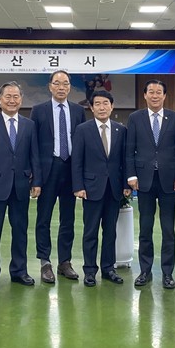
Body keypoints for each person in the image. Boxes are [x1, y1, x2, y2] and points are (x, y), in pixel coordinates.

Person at [0, 81, 41, 292]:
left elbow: (35, 156)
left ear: (21, 100)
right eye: (8, 96)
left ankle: (19, 271)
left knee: (20, 231)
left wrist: (37, 181)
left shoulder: (29, 125)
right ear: (0, 99)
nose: (12, 100)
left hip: (21, 186)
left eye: (16, 97)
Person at [126, 79, 175, 289]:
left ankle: (167, 273)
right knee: (145, 227)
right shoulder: (135, 118)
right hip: (144, 180)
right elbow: (129, 150)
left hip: (169, 180)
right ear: (145, 95)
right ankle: (145, 271)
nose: (154, 95)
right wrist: (131, 175)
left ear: (164, 95)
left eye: (158, 92)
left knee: (168, 229)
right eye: (151, 92)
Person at [30, 70, 87, 283]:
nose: (61, 87)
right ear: (50, 86)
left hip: (71, 169)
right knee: (43, 218)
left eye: (65, 83)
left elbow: (82, 144)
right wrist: (36, 179)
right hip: (48, 170)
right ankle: (45, 263)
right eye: (57, 83)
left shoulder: (78, 111)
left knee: (68, 219)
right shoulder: (38, 110)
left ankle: (65, 262)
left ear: (70, 87)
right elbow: (33, 147)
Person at [71, 90, 128, 287]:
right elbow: (76, 161)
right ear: (91, 107)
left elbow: (124, 160)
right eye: (97, 104)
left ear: (112, 106)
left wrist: (126, 185)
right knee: (91, 232)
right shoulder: (83, 130)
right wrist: (78, 186)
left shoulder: (121, 130)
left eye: (105, 103)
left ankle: (108, 268)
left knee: (110, 232)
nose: (102, 107)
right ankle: (89, 270)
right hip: (91, 188)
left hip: (114, 189)